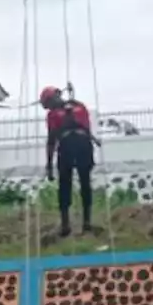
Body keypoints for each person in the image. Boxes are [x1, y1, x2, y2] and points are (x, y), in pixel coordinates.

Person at [41, 85, 100, 237]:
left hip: (68, 145)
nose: (49, 108)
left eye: (48, 104)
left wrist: (49, 165)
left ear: (52, 99)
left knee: (65, 185)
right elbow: (86, 127)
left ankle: (66, 225)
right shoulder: (80, 107)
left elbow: (52, 140)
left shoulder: (54, 115)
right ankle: (85, 222)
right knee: (84, 182)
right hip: (84, 145)